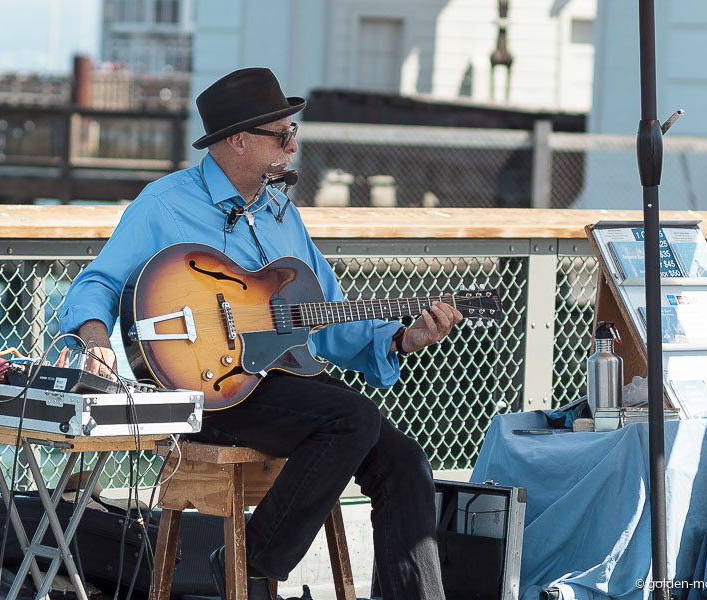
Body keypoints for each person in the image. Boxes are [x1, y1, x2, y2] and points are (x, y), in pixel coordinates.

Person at [59, 67, 462, 600]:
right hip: (204, 391)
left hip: (279, 384)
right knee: (352, 418)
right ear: (239, 141)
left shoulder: (281, 213)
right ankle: (251, 562)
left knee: (403, 459)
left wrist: (402, 339)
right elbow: (99, 283)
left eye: (293, 133)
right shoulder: (164, 204)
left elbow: (328, 314)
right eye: (283, 135)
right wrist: (93, 342)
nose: (293, 147)